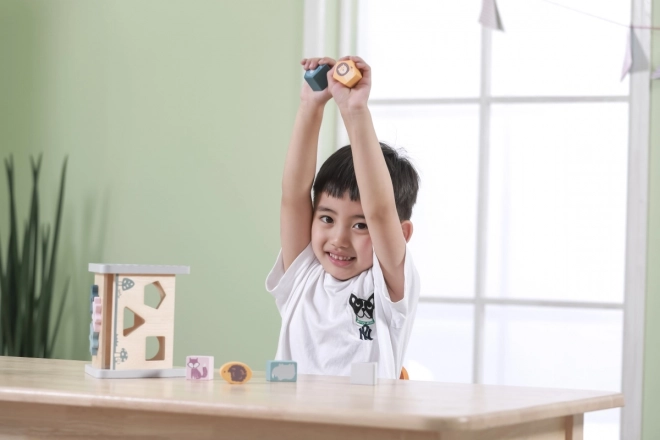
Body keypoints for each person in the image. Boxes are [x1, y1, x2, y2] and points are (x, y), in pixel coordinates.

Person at [265, 56, 421, 379]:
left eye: (360, 225)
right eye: (326, 219)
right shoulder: (303, 275)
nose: (338, 238)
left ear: (401, 233)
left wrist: (355, 111)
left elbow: (380, 211)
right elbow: (294, 195)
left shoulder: (386, 284)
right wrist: (311, 106)